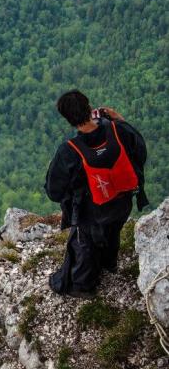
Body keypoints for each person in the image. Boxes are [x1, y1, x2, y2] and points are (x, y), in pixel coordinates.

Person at [45, 90, 148, 298]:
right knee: (112, 232)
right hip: (123, 202)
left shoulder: (69, 150)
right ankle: (108, 264)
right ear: (89, 108)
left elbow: (54, 191)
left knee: (84, 244)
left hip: (92, 211)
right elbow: (140, 151)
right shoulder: (118, 130)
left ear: (68, 120)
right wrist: (119, 119)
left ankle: (82, 286)